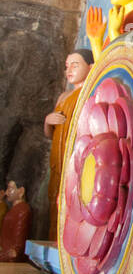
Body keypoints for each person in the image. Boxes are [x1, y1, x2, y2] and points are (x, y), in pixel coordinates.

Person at [44, 49, 94, 241]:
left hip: (75, 161)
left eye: (75, 65)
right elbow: (51, 135)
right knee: (54, 206)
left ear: (90, 67)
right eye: (67, 66)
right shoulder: (64, 97)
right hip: (57, 162)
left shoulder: (89, 92)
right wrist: (47, 122)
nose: (69, 70)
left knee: (70, 203)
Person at [0, 180, 32, 262]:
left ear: (21, 191)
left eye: (10, 189)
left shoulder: (22, 211)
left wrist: (8, 254)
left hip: (11, 260)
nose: (7, 193)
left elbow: (17, 249)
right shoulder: (14, 210)